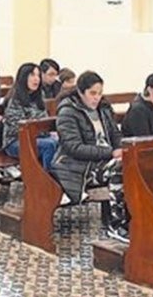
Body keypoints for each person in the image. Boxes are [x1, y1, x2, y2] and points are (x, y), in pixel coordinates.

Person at [51, 71, 127, 241]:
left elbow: (115, 135)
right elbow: (74, 148)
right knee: (119, 168)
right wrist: (111, 153)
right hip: (78, 166)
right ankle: (115, 224)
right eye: (92, 93)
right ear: (80, 91)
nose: (97, 98)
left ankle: (134, 219)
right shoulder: (68, 111)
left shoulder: (104, 109)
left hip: (103, 161)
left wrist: (122, 149)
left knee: (133, 164)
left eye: (99, 93)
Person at [2, 62, 57, 171]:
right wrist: (42, 132)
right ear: (23, 77)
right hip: (15, 142)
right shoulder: (15, 98)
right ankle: (48, 180)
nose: (36, 79)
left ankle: (63, 177)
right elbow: (18, 128)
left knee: (62, 141)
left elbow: (43, 119)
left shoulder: (39, 95)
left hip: (38, 137)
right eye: (32, 75)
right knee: (49, 145)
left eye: (38, 75)